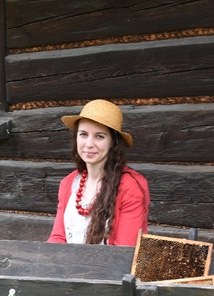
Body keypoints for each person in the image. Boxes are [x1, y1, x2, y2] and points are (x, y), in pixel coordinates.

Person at [48, 99, 149, 246]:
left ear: (113, 142)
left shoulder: (130, 186)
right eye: (83, 134)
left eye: (99, 136)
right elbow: (57, 238)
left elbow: (124, 252)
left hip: (111, 268)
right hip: (67, 267)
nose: (89, 144)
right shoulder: (68, 183)